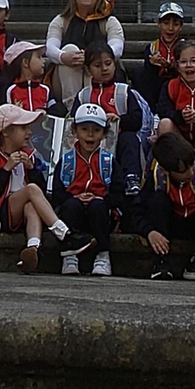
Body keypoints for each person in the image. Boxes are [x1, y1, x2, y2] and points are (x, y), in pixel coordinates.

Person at [0, 103, 84, 272]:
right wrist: (6, 169)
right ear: (6, 132)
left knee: (32, 204)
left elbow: (42, 193)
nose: (30, 132)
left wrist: (32, 170)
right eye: (24, 128)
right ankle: (64, 234)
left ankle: (32, 249)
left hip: (22, 212)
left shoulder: (30, 156)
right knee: (30, 190)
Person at [50, 103, 136, 277]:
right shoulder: (66, 161)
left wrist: (101, 200)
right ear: (75, 131)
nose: (90, 135)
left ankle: (102, 255)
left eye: (96, 130)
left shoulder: (109, 162)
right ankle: (70, 254)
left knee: (97, 206)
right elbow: (57, 193)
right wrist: (75, 198)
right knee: (71, 206)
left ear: (104, 134)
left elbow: (119, 194)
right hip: (74, 213)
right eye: (84, 129)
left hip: (101, 214)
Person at [141, 130, 195, 281]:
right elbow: (134, 211)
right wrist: (149, 231)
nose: (190, 172)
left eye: (191, 165)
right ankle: (161, 262)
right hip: (169, 227)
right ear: (166, 171)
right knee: (157, 200)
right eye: (183, 170)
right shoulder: (155, 179)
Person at [45, 0, 125, 110]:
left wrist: (90, 58)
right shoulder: (61, 20)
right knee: (69, 49)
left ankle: (92, 106)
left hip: (102, 80)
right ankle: (73, 109)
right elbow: (50, 48)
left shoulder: (110, 21)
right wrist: (64, 57)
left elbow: (117, 48)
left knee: (98, 60)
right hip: (65, 78)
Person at [137, 2, 186, 105]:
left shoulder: (185, 47)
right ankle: (151, 111)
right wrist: (153, 65)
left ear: (181, 27)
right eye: (166, 23)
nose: (170, 28)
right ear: (159, 24)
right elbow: (148, 75)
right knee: (139, 73)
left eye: (176, 24)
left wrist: (171, 67)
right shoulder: (152, 47)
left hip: (178, 85)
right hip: (156, 88)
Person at [1, 42, 52, 115]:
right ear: (25, 62)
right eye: (38, 57)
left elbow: (55, 110)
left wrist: (45, 111)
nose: (43, 61)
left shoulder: (46, 89)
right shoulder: (10, 90)